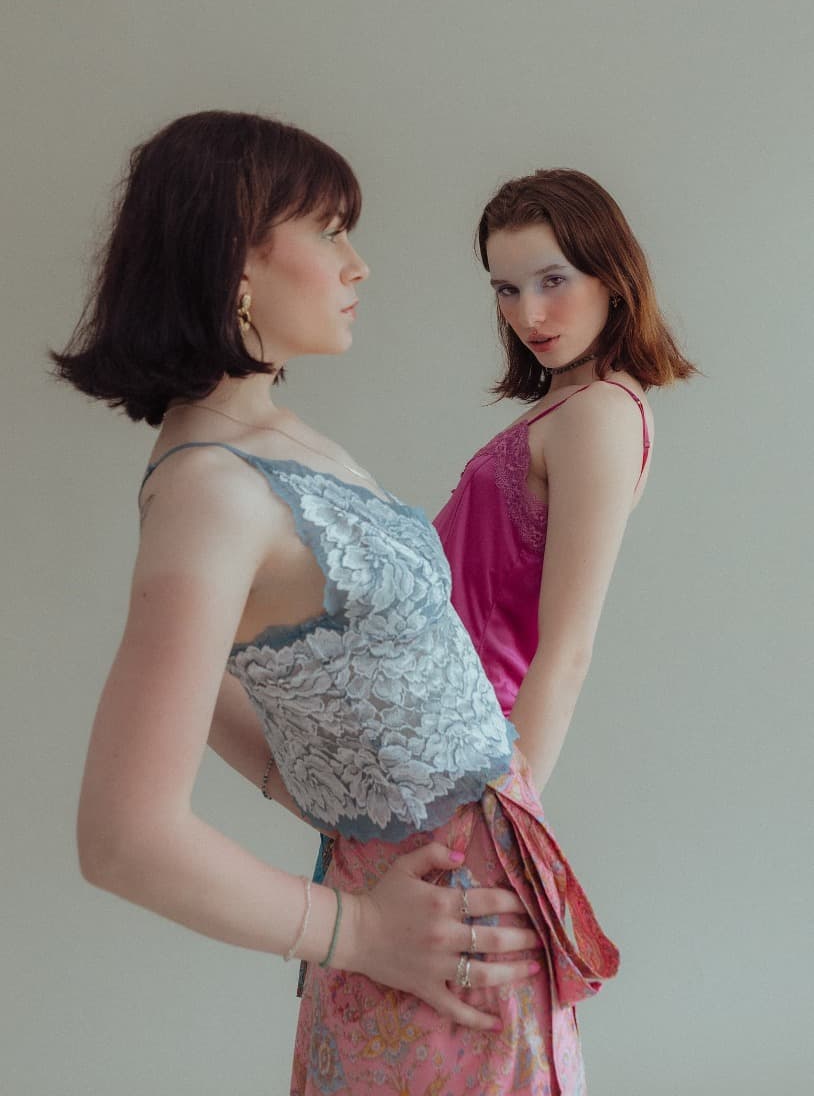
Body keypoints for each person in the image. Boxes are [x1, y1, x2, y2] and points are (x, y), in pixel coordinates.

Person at [53, 112, 619, 1096]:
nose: (358, 266)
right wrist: (352, 930)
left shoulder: (272, 437)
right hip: (429, 949)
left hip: (478, 909)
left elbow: (253, 664)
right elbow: (122, 836)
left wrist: (303, 778)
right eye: (327, 231)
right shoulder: (210, 485)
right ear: (234, 263)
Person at [434, 168, 695, 790]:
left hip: (471, 759)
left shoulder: (600, 414)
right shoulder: (568, 406)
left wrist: (505, 813)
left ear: (611, 275)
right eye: (506, 289)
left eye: (554, 280)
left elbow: (567, 647)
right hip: (431, 743)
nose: (530, 313)